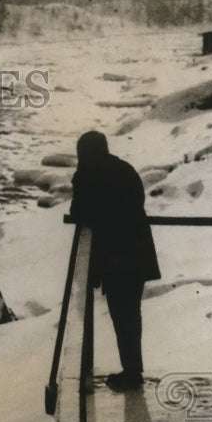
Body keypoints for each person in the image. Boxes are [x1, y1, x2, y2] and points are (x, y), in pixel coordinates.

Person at [69, 131, 160, 392]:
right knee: (130, 314)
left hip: (115, 257)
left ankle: (132, 373)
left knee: (123, 316)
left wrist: (79, 181)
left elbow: (80, 211)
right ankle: (133, 369)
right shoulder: (124, 169)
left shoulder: (89, 175)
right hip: (136, 254)